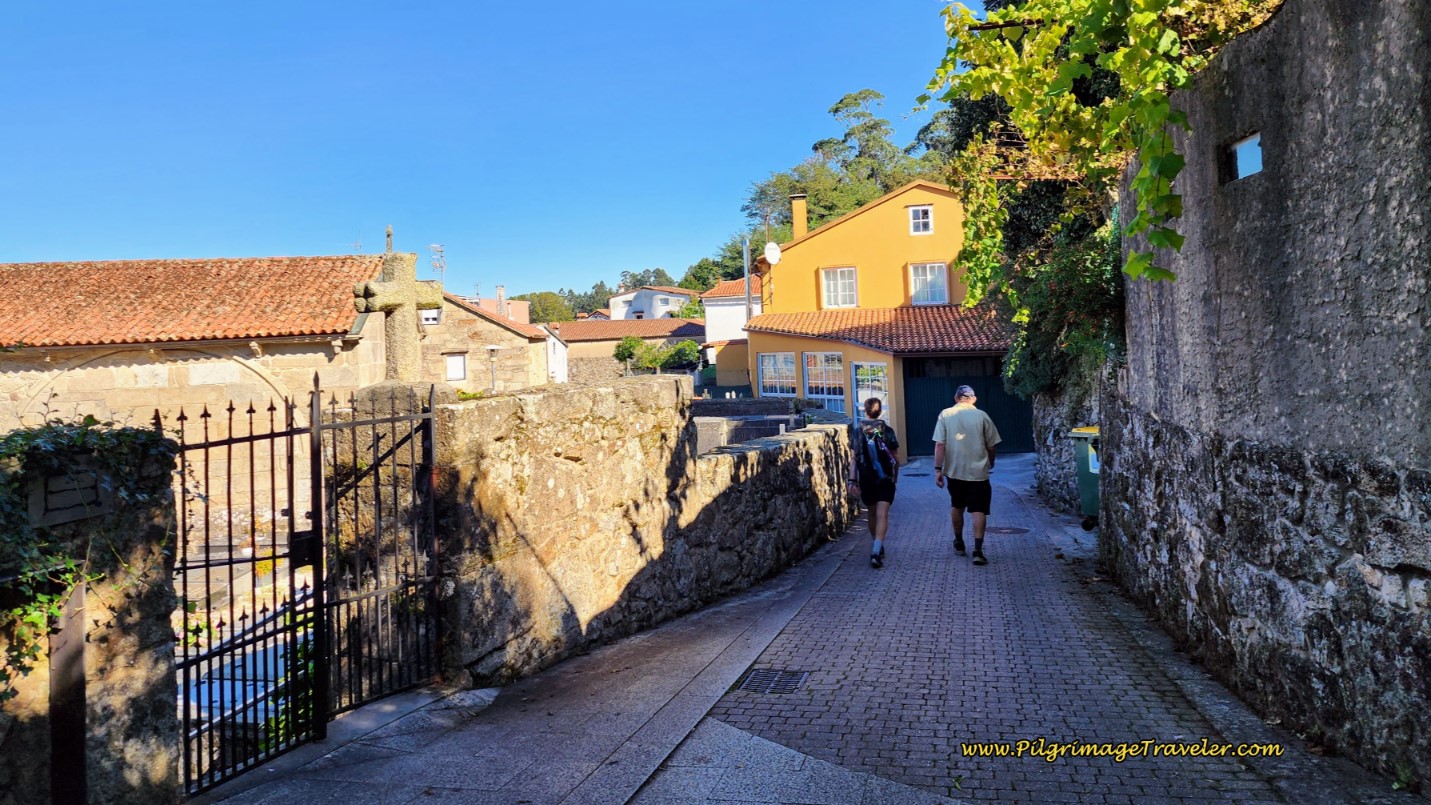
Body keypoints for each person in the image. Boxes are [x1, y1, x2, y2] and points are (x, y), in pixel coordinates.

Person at [932, 385, 1001, 565]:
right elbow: (992, 446)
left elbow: (940, 445)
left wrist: (938, 469)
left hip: (954, 471)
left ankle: (959, 542)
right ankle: (978, 551)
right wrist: (991, 462)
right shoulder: (982, 416)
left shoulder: (945, 414)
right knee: (979, 510)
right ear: (973, 399)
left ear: (956, 398)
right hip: (979, 472)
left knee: (957, 505)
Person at [847, 397, 899, 568]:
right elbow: (896, 458)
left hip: (866, 477)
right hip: (885, 477)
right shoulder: (888, 431)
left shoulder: (856, 432)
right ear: (880, 412)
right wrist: (895, 477)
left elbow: (853, 459)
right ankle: (876, 549)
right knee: (883, 514)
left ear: (866, 411)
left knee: (871, 512)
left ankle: (877, 543)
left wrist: (852, 481)